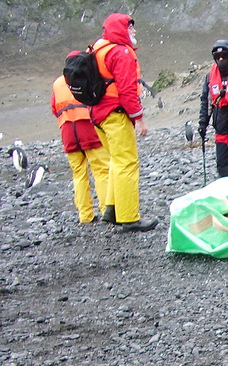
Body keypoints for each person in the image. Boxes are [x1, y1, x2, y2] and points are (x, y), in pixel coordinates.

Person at [90, 13, 157, 231]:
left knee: (116, 162)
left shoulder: (98, 49)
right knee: (127, 162)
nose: (134, 31)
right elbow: (127, 90)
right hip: (115, 114)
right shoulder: (121, 53)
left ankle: (111, 209)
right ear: (121, 30)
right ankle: (129, 217)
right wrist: (139, 119)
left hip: (97, 114)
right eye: (130, 27)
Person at [51, 69, 110, 223]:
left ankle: (85, 216)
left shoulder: (58, 83)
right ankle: (106, 211)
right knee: (101, 171)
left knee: (78, 174)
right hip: (88, 128)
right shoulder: (89, 76)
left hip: (68, 132)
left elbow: (54, 108)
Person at [198, 40, 228, 177]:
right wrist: (202, 124)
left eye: (224, 55)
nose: (221, 59)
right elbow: (205, 101)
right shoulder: (210, 76)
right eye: (218, 57)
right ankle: (226, 186)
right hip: (221, 124)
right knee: (223, 160)